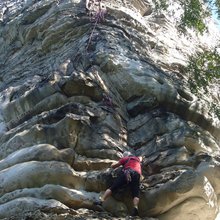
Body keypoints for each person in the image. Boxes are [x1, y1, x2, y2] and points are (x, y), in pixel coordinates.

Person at [94, 151, 143, 216]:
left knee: (113, 187)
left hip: (128, 172)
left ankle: (101, 200)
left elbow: (114, 166)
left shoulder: (125, 159)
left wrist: (113, 164)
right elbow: (141, 157)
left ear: (125, 156)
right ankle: (135, 208)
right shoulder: (137, 159)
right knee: (135, 193)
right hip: (137, 175)